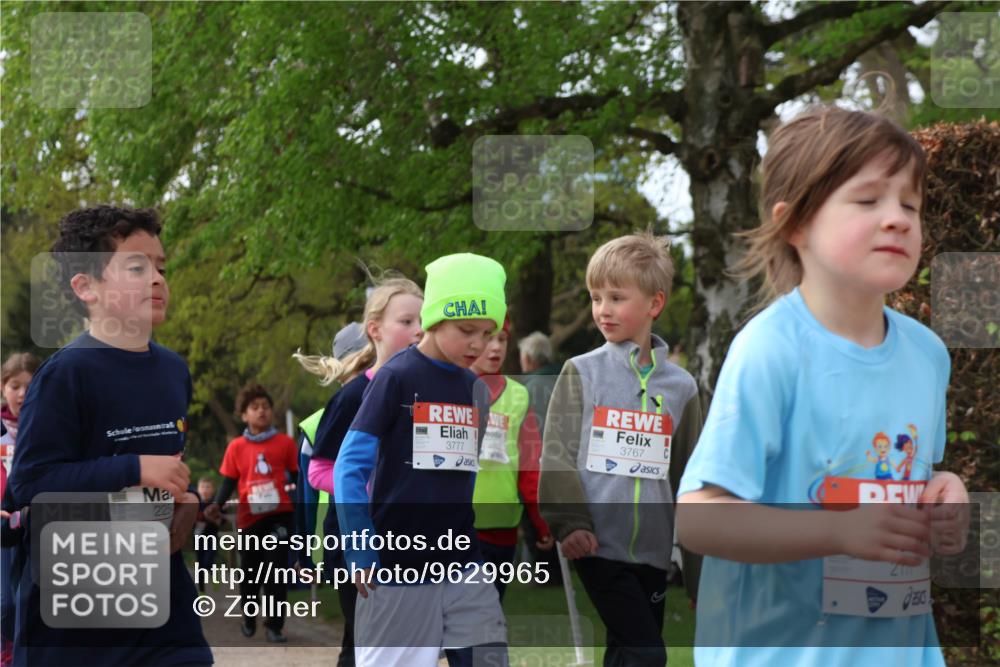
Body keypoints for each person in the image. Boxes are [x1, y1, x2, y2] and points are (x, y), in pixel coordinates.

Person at [675, 106, 970, 666]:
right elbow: (699, 516)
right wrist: (839, 534)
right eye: (868, 200)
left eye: (910, 203)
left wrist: (944, 491)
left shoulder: (927, 354)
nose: (898, 218)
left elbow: (906, 475)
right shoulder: (771, 350)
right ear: (795, 225)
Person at [4, 205, 211, 666]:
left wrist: (188, 497)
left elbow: (168, 467)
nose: (157, 279)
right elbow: (31, 486)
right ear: (86, 287)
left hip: (165, 612)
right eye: (137, 267)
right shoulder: (65, 375)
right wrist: (133, 468)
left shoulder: (174, 371)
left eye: (160, 267)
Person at [335, 253, 509, 667]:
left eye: (489, 333)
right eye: (467, 330)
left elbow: (463, 476)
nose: (479, 345)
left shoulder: (476, 390)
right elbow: (349, 467)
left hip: (463, 564)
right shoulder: (396, 378)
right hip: (396, 566)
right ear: (434, 318)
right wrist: (360, 550)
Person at [539, 230, 704, 667]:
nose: (602, 310)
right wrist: (568, 522)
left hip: (652, 552)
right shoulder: (581, 371)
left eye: (616, 297)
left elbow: (693, 479)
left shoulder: (683, 388)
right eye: (596, 298)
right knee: (648, 654)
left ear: (655, 303)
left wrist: (700, 575)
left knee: (626, 653)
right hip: (595, 544)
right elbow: (555, 451)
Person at [296, 277, 424, 667]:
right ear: (375, 330)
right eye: (406, 322)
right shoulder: (353, 396)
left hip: (412, 537)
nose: (419, 331)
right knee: (363, 645)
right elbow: (318, 471)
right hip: (357, 538)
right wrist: (369, 486)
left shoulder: (427, 391)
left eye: (424, 321)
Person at [204, 382, 298, 643]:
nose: (261, 412)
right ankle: (248, 616)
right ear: (244, 415)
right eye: (254, 408)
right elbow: (228, 481)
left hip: (279, 515)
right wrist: (216, 505)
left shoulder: (285, 443)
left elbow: (297, 476)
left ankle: (274, 626)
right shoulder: (236, 447)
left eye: (266, 407)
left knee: (276, 571)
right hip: (249, 518)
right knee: (250, 574)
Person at [470, 316, 552, 602]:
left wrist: (542, 521)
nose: (495, 348)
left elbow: (530, 465)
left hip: (501, 528)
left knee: (487, 616)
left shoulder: (518, 395)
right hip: (454, 525)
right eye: (486, 337)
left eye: (501, 340)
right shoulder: (447, 388)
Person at [0, 353, 39, 667]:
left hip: (37, 524)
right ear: (3, 389)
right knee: (5, 602)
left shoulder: (49, 428)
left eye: (29, 385)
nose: (23, 393)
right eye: (15, 386)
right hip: (2, 527)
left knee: (29, 603)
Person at [193, 476, 225, 593]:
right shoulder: (195, 504)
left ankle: (214, 575)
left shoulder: (215, 505)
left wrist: (215, 520)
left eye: (207, 487)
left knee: (208, 562)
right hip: (198, 538)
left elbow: (222, 520)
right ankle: (201, 591)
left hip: (211, 537)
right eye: (202, 487)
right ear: (198, 489)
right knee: (200, 565)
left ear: (213, 489)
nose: (205, 490)